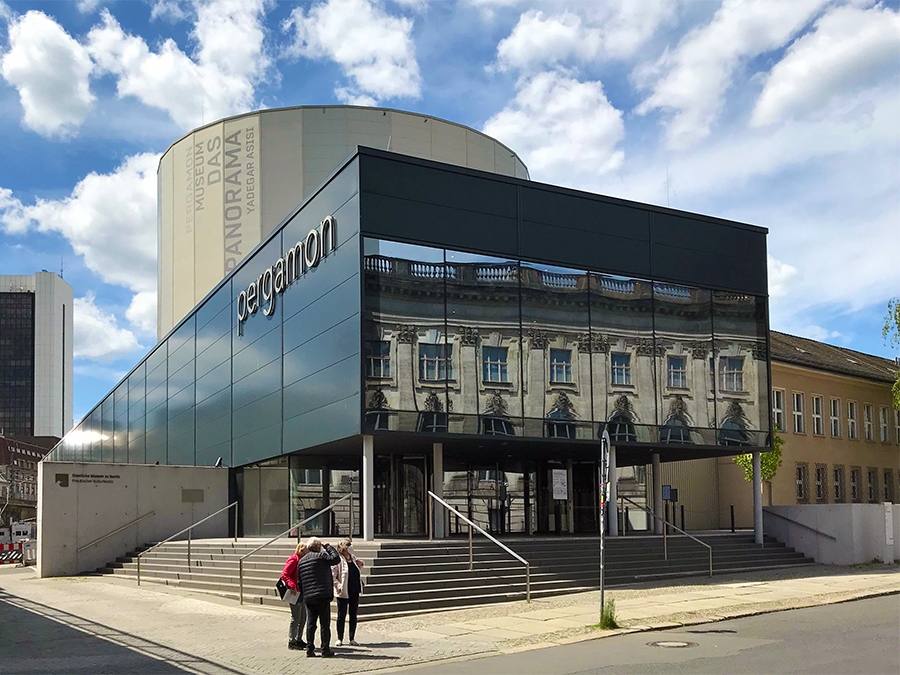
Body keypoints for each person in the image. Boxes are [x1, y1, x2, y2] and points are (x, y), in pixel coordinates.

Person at [297, 536, 340, 657]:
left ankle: (310, 649)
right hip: (322, 595)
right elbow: (336, 559)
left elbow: (299, 581)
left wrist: (305, 593)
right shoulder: (321, 556)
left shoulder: (301, 561)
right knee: (324, 624)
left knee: (311, 624)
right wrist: (328, 546)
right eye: (320, 546)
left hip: (309, 596)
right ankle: (325, 649)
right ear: (317, 547)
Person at [332, 538, 365, 646]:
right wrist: (338, 586)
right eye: (348, 545)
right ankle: (339, 638)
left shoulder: (353, 558)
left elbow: (356, 572)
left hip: (354, 590)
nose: (351, 546)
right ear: (343, 548)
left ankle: (352, 638)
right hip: (343, 592)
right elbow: (333, 576)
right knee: (341, 615)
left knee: (353, 614)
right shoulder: (338, 560)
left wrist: (360, 565)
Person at [280, 542, 308, 651]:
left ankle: (299, 639)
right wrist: (292, 585)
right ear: (301, 551)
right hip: (295, 592)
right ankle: (292, 640)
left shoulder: (302, 560)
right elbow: (284, 574)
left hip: (302, 591)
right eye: (306, 551)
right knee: (296, 617)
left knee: (303, 617)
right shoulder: (294, 560)